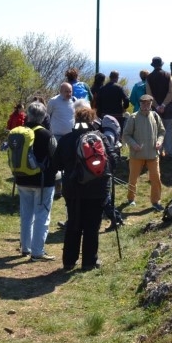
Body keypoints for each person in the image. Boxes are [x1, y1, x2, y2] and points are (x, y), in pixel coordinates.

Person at [54, 105, 114, 270]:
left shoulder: (66, 139)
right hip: (97, 190)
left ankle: (68, 261)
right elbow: (113, 161)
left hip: (73, 190)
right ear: (92, 120)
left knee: (74, 224)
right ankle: (89, 262)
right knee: (92, 227)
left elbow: (56, 164)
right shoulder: (100, 138)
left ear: (76, 120)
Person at [12, 101, 56, 261]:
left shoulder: (19, 132)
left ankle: (25, 247)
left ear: (28, 115)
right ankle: (37, 251)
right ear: (44, 116)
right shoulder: (46, 134)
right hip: (43, 182)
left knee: (26, 215)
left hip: (22, 179)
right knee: (42, 216)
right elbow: (55, 157)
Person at [122, 94, 166, 211]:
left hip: (153, 154)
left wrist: (159, 141)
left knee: (156, 178)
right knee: (133, 178)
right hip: (137, 155)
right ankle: (131, 199)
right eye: (143, 104)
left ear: (151, 104)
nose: (146, 106)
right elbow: (126, 135)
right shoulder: (133, 117)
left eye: (148, 104)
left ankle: (156, 202)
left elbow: (162, 132)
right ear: (140, 104)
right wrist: (133, 144)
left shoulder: (155, 116)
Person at [146, 56, 172, 157]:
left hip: (155, 108)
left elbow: (148, 94)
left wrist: (157, 106)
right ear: (161, 64)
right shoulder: (168, 75)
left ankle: (158, 151)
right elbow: (171, 91)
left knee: (156, 130)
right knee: (168, 129)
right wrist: (163, 104)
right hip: (168, 107)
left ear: (153, 65)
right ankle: (169, 152)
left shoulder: (149, 77)